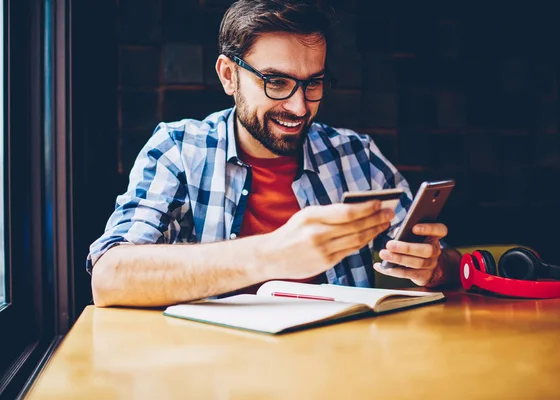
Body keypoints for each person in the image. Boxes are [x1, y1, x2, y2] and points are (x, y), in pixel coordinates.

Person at [88, 0, 461, 308]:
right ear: (228, 75)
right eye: (276, 82)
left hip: (343, 367)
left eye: (313, 83)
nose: (299, 107)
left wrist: (434, 266)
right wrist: (273, 252)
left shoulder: (355, 155)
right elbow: (110, 278)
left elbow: (445, 262)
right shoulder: (179, 150)